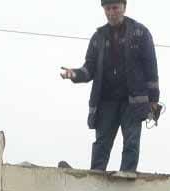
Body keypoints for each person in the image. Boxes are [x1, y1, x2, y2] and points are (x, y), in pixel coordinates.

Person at [60, 0, 160, 178]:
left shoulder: (140, 32)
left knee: (131, 139)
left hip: (134, 100)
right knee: (102, 142)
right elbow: (89, 68)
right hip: (106, 99)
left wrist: (153, 99)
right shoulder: (98, 37)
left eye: (115, 7)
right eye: (108, 8)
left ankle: (127, 172)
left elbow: (151, 68)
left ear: (124, 7)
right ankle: (96, 175)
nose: (112, 12)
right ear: (103, 10)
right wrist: (74, 74)